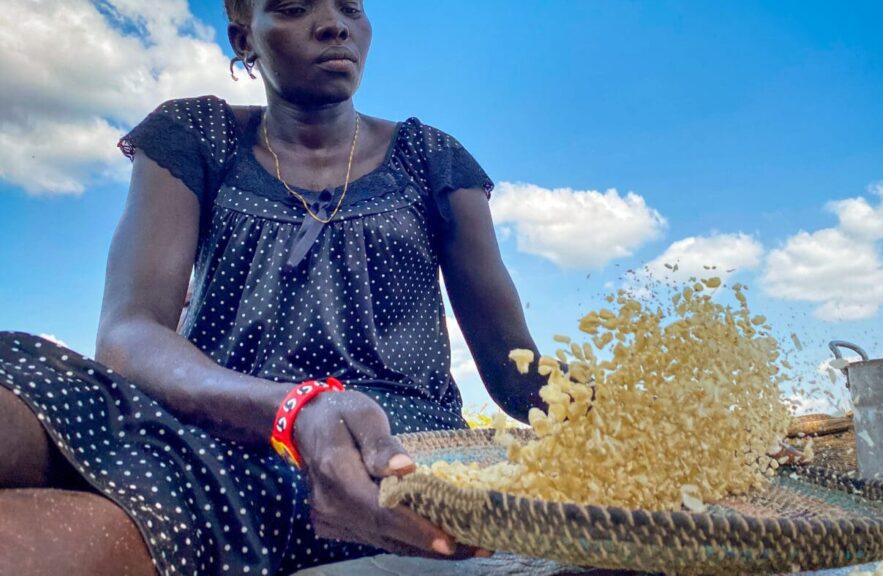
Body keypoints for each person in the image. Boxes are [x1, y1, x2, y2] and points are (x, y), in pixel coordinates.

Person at [0, 1, 545, 574]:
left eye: (352, 8)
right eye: (292, 7)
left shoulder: (431, 160)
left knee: (112, 525)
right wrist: (292, 409)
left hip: (382, 454)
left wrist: (626, 415)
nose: (335, 24)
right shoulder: (195, 135)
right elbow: (129, 331)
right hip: (212, 422)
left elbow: (516, 371)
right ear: (244, 39)